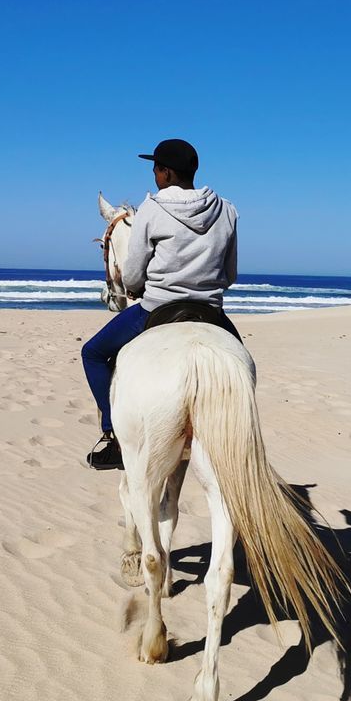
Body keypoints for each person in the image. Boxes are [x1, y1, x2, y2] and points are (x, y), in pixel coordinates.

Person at [82, 138, 239, 470]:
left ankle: (111, 434)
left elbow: (134, 273)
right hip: (211, 312)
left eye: (155, 169)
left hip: (157, 308)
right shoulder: (227, 209)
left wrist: (142, 287)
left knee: (93, 353)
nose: (154, 175)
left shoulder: (152, 209)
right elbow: (230, 274)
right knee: (243, 368)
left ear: (166, 173)